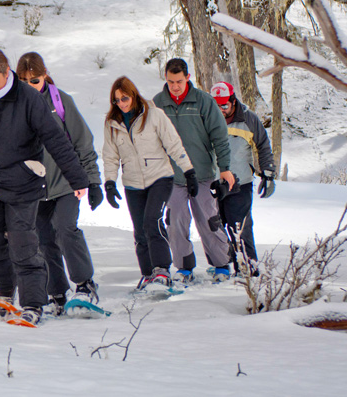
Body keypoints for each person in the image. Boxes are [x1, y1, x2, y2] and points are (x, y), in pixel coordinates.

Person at [0, 48, 89, 326]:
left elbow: (55, 139)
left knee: (24, 244)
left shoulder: (28, 98)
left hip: (23, 183)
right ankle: (5, 288)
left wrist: (78, 178)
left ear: (6, 73)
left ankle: (34, 303)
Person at [15, 52, 104, 314]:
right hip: (35, 187)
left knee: (66, 229)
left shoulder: (60, 101)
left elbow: (83, 143)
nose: (29, 85)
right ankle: (57, 292)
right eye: (23, 80)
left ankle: (85, 283)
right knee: (43, 240)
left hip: (66, 182)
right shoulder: (14, 105)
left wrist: (93, 181)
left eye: (35, 80)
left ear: (45, 75)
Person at [102, 77, 194, 289]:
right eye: (117, 101)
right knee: (140, 231)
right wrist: (109, 183)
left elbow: (173, 144)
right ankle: (147, 274)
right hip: (133, 183)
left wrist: (188, 171)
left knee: (152, 221)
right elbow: (110, 156)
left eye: (124, 98)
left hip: (159, 177)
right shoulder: (111, 123)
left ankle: (162, 270)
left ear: (133, 95)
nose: (122, 103)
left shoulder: (154, 115)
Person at [152, 58, 235, 283]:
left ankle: (221, 266)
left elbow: (220, 137)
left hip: (203, 174)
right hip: (173, 177)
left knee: (209, 220)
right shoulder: (158, 104)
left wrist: (225, 169)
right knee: (175, 221)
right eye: (170, 82)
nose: (175, 86)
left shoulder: (203, 102)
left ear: (188, 78)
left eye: (179, 81)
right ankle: (184, 267)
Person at [209, 81, 276, 270]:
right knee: (215, 226)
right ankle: (222, 265)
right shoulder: (206, 117)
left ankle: (247, 266)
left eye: (224, 105)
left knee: (240, 226)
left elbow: (263, 145)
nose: (220, 110)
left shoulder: (248, 118)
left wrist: (268, 174)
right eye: (216, 105)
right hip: (213, 182)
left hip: (240, 182)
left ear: (233, 101)